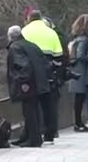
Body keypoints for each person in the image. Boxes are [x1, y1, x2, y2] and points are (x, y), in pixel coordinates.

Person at [22, 10, 63, 142]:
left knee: (32, 104)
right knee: (48, 104)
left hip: (30, 71)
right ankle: (49, 134)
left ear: (29, 18)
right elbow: (59, 54)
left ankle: (34, 132)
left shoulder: (25, 31)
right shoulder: (51, 32)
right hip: (47, 71)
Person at [7, 25, 50, 147]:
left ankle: (34, 139)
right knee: (33, 110)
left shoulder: (15, 47)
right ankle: (27, 136)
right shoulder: (31, 45)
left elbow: (24, 66)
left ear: (10, 36)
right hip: (38, 82)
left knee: (29, 111)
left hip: (28, 84)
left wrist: (24, 82)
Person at [67, 14, 88, 130]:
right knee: (80, 98)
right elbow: (81, 55)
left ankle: (78, 122)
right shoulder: (84, 40)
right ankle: (78, 123)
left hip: (76, 70)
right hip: (81, 72)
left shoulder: (77, 39)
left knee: (78, 99)